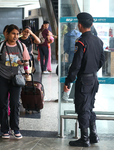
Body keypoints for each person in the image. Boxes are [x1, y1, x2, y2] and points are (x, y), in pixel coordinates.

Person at [64, 12, 105, 147]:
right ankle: (93, 136)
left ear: (80, 25)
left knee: (82, 109)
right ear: (91, 24)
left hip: (84, 81)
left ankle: (84, 138)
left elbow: (76, 65)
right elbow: (101, 61)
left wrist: (68, 81)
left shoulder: (81, 41)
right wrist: (91, 70)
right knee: (89, 107)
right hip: (93, 79)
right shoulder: (99, 41)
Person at [0, 24, 30, 139]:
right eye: (13, 33)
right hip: (1, 77)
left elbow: (27, 61)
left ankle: (15, 128)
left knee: (15, 104)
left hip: (16, 79)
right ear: (7, 34)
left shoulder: (21, 46)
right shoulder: (1, 46)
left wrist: (23, 65)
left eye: (17, 34)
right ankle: (4, 129)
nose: (15, 36)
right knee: (3, 104)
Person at [62, 23, 81, 102]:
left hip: (71, 58)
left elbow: (65, 47)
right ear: (76, 27)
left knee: (71, 77)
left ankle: (66, 97)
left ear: (68, 27)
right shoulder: (80, 34)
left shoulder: (67, 35)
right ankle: (77, 97)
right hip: (80, 59)